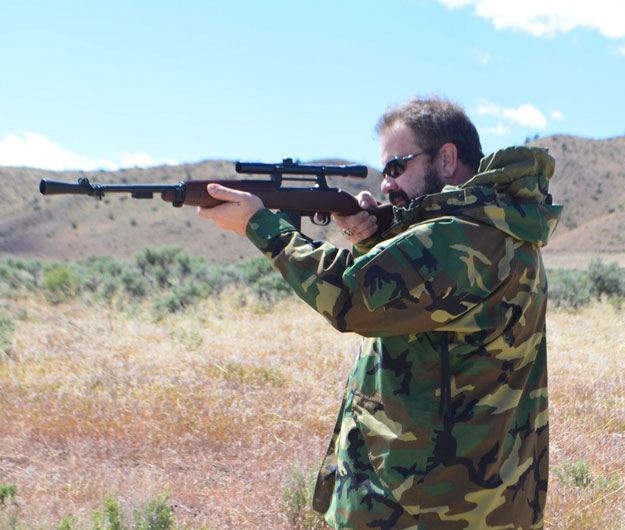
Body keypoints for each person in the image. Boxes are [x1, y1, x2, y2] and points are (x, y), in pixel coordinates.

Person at [197, 96, 562, 529]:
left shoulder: (462, 237)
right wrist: (371, 239)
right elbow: (419, 313)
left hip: (423, 507)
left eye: (396, 167)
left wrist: (262, 227)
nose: (386, 184)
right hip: (478, 501)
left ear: (447, 159)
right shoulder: (497, 227)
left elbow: (349, 297)